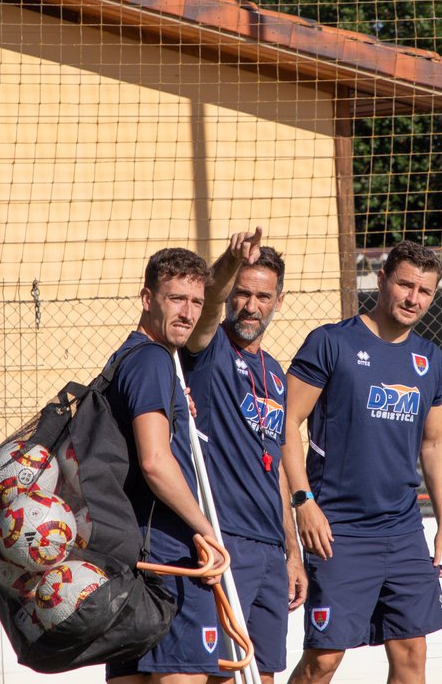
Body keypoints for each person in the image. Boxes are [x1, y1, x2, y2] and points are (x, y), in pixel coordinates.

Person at [281, 240, 442, 684]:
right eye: (405, 285)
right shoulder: (331, 342)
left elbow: (434, 444)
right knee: (324, 660)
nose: (414, 298)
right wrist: (303, 501)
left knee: (412, 653)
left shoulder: (429, 359)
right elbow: (285, 423)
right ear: (381, 281)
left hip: (402, 530)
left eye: (425, 291)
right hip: (338, 529)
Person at [181, 227, 307, 684]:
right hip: (225, 537)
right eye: (242, 294)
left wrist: (292, 552)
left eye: (263, 296)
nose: (250, 306)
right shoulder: (208, 350)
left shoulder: (274, 372)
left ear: (278, 300)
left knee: (265, 674)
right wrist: (228, 264)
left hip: (271, 546)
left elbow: (276, 472)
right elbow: (207, 305)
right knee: (223, 673)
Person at [105, 247, 228, 684]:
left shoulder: (125, 359)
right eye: (176, 298)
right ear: (147, 298)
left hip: (127, 561)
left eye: (196, 302)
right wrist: (207, 530)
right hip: (169, 560)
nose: (188, 312)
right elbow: (156, 463)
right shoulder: (152, 359)